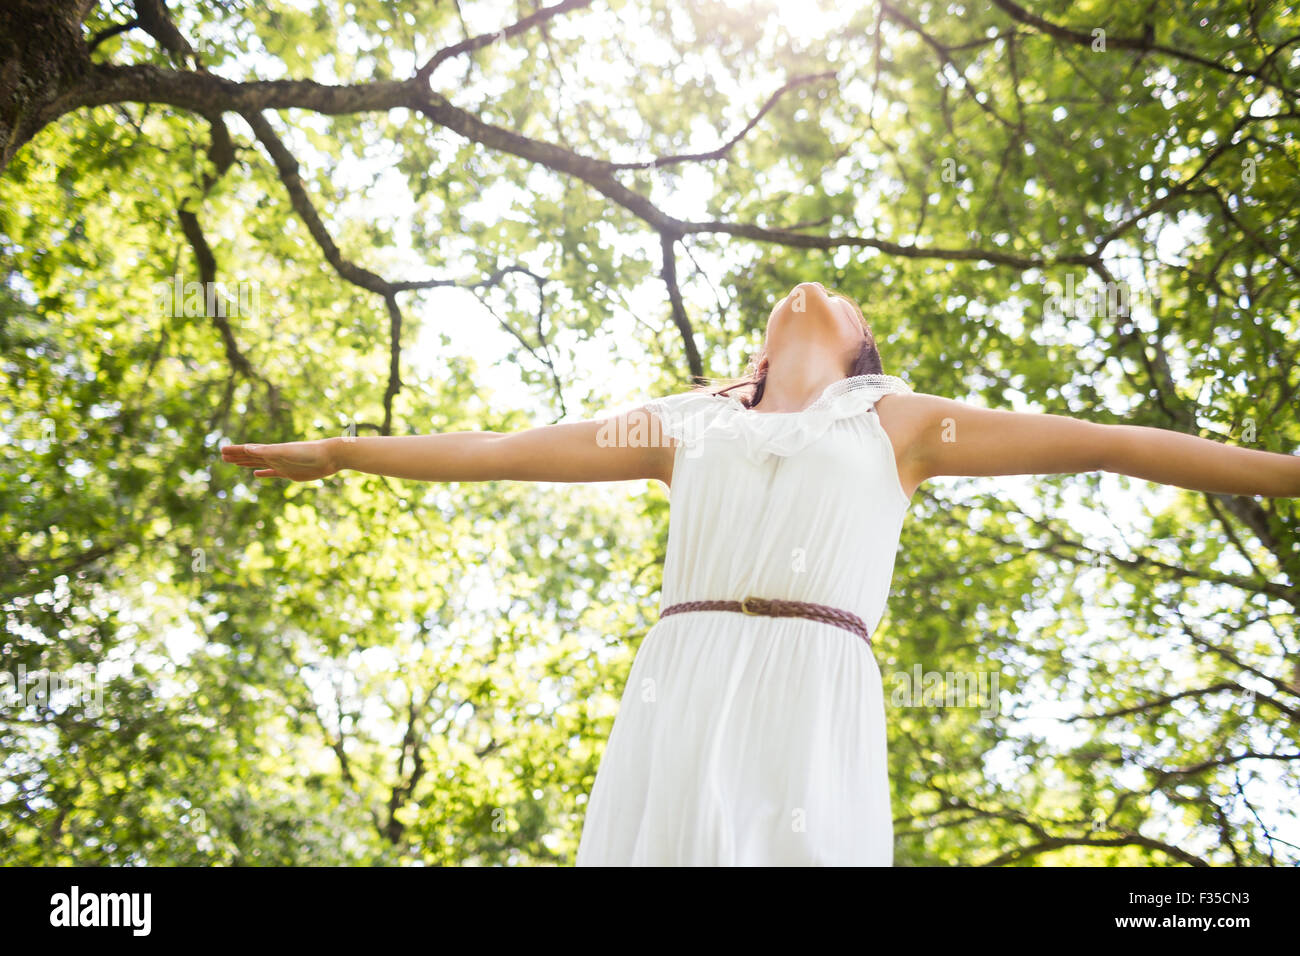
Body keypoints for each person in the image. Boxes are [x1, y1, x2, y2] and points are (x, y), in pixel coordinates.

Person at [221, 280, 1300, 865]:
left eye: (846, 304)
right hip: (682, 673)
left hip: (813, 675)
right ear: (757, 351)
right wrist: (349, 450)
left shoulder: (902, 420)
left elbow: (1109, 439)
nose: (812, 290)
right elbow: (502, 450)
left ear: (862, 347)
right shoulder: (683, 423)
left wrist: (1287, 472)